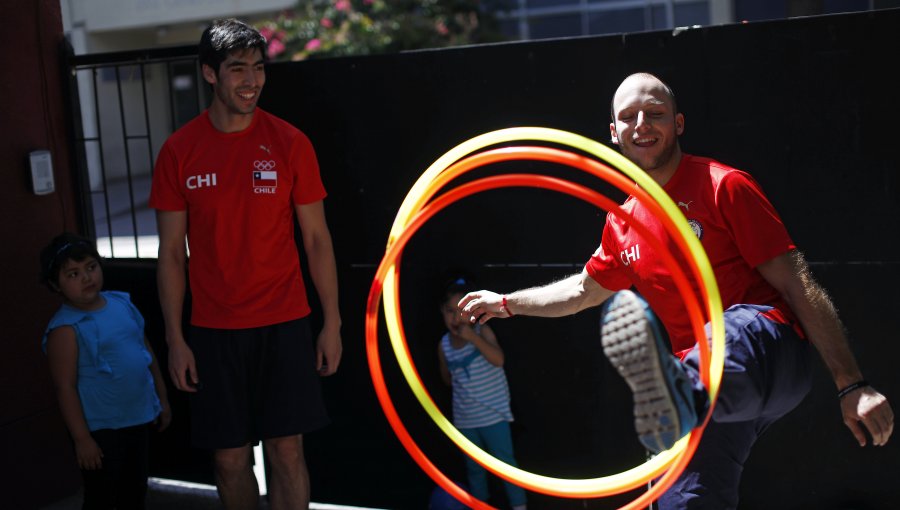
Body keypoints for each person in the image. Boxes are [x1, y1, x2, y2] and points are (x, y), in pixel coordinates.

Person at [459, 72, 894, 509]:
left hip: (771, 353)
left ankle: (679, 393)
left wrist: (850, 383)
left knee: (727, 334)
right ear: (614, 133)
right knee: (683, 500)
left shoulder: (723, 186)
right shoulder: (622, 222)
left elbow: (798, 283)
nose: (642, 124)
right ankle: (680, 404)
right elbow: (582, 291)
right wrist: (506, 303)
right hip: (703, 395)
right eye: (628, 117)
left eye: (656, 114)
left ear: (679, 124)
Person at [148, 18, 342, 510]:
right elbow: (171, 253)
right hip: (213, 331)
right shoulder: (179, 151)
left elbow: (317, 239)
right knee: (229, 462)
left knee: (287, 451)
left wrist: (332, 323)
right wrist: (175, 338)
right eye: (237, 69)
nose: (251, 80)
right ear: (210, 74)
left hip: (285, 323)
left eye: (258, 68)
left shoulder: (290, 143)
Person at [40, 232, 171, 509]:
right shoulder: (65, 329)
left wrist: (161, 398)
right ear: (55, 285)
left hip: (137, 418)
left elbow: (145, 351)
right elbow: (65, 387)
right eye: (73, 274)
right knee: (103, 496)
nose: (87, 277)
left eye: (90, 267)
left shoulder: (121, 303)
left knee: (134, 491)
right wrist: (82, 439)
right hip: (100, 430)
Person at [437, 278, 527, 510]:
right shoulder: (444, 344)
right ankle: (481, 506)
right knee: (474, 469)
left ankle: (519, 506)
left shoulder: (481, 331)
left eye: (460, 311)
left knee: (505, 464)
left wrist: (473, 338)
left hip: (493, 416)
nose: (455, 318)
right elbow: (446, 378)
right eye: (449, 311)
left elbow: (499, 360)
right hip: (466, 420)